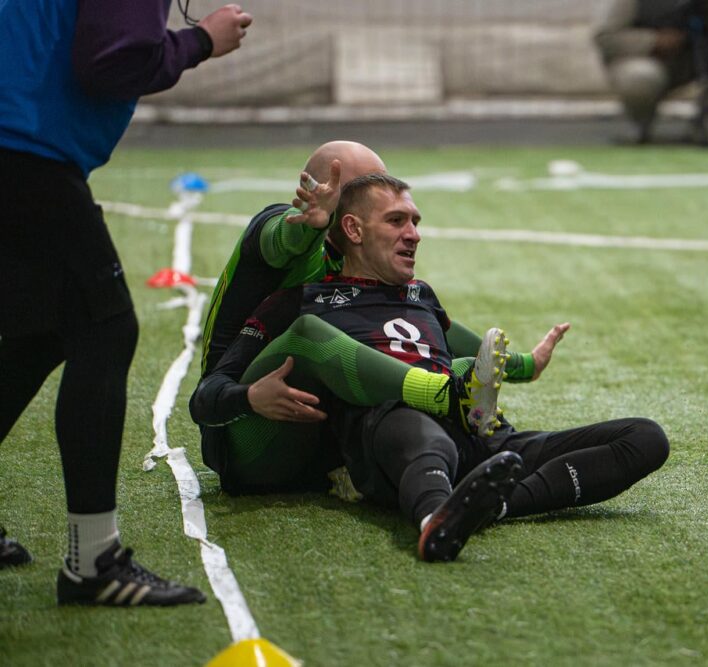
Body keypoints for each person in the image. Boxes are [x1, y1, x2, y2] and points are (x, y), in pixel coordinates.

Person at [191, 173, 670, 562]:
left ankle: (492, 506)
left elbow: (477, 351)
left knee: (644, 438)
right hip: (388, 427)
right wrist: (248, 397)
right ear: (354, 230)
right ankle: (433, 519)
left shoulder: (422, 296)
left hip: (475, 431)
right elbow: (205, 399)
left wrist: (530, 363)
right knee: (424, 434)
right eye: (397, 220)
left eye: (416, 221)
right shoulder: (301, 302)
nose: (414, 233)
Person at [0, 0, 252, 606]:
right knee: (105, 328)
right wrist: (201, 42)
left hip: (19, 146)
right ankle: (94, 563)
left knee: (44, 330)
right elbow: (110, 64)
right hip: (23, 152)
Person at [195, 140, 543, 487]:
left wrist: (523, 365)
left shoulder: (361, 263)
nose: (382, 194)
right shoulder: (283, 228)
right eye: (365, 186)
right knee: (312, 334)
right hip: (237, 413)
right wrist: (310, 226)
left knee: (445, 364)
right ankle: (444, 397)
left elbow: (432, 328)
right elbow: (284, 239)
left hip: (315, 425)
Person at [594, 0, 708, 144]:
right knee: (641, 76)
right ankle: (640, 124)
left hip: (689, 57)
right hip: (644, 60)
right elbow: (605, 37)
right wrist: (654, 40)